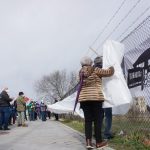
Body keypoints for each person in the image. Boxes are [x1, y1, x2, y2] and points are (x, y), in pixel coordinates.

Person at [78, 56, 114, 149]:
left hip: (84, 99)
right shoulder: (96, 69)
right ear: (90, 63)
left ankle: (88, 142)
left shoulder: (80, 72)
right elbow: (109, 73)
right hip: (95, 98)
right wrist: (112, 66)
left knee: (88, 121)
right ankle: (99, 142)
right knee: (98, 120)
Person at [94, 56, 113, 140]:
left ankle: (98, 133)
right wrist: (112, 65)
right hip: (105, 95)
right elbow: (110, 72)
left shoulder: (92, 70)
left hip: (96, 96)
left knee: (99, 115)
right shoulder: (102, 70)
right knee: (108, 115)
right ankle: (106, 133)